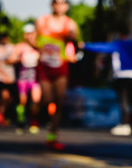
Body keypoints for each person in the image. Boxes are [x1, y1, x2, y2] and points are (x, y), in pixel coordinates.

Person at [80, 21, 132, 136]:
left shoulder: (117, 44)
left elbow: (101, 47)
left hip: (121, 75)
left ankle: (124, 124)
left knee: (123, 100)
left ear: (118, 33)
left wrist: (85, 45)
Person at [35, 0, 79, 151]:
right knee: (47, 99)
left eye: (62, 3)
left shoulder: (70, 24)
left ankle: (52, 136)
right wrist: (39, 49)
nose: (59, 6)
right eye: (56, 3)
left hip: (61, 66)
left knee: (59, 101)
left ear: (67, 6)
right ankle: (41, 116)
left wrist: (70, 39)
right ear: (52, 5)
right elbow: (32, 39)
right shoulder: (42, 21)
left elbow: (76, 43)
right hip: (44, 66)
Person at [10, 23, 43, 134]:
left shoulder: (39, 46)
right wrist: (19, 59)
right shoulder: (20, 47)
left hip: (35, 78)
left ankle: (34, 121)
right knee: (22, 101)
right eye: (28, 34)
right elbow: (10, 59)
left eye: (32, 34)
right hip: (23, 78)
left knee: (36, 101)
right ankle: (20, 122)